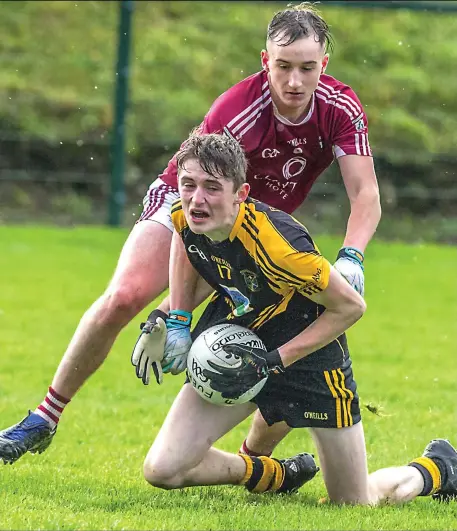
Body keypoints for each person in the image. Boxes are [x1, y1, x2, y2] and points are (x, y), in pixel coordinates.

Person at [0, 2, 381, 464]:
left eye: (306, 68)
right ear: (265, 62)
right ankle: (44, 417)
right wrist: (177, 316)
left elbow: (365, 194)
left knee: (291, 318)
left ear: (324, 64)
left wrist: (352, 256)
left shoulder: (339, 107)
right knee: (125, 296)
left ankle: (259, 463)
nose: (294, 82)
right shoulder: (238, 111)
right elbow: (191, 218)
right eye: (283, 67)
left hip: (252, 227)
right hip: (187, 203)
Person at [139, 132, 456, 504]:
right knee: (162, 470)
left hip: (309, 359)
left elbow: (351, 306)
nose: (197, 198)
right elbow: (184, 240)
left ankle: (437, 468)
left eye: (212, 187)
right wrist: (170, 319)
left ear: (240, 194)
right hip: (237, 347)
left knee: (354, 502)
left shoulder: (281, 246)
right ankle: (276, 474)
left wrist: (275, 361)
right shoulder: (185, 214)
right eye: (188, 185)